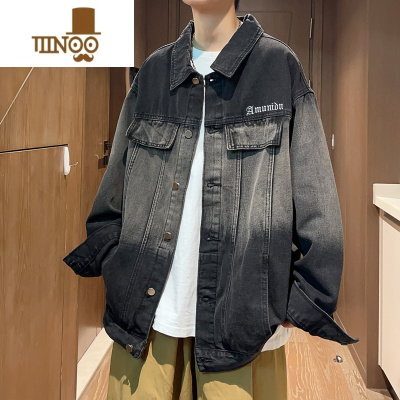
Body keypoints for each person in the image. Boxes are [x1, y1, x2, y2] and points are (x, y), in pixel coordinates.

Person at [63, 0, 359, 398]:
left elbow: (315, 196)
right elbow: (115, 188)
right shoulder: (155, 71)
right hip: (148, 317)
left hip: (243, 323)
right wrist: (113, 258)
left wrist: (306, 295)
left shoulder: (278, 67)